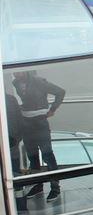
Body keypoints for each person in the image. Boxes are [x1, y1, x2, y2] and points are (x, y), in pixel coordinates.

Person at [12, 71, 64, 202]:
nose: (16, 73)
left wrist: (53, 109)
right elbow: (26, 99)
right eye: (14, 71)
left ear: (25, 70)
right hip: (25, 122)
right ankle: (38, 185)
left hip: (40, 121)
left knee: (47, 155)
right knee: (32, 156)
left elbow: (60, 92)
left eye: (19, 71)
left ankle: (55, 187)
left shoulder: (39, 81)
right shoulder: (16, 82)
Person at [4, 91, 27, 213]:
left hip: (12, 150)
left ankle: (21, 211)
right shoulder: (11, 99)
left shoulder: (11, 100)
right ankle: (18, 211)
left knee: (17, 182)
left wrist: (16, 139)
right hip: (10, 148)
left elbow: (20, 121)